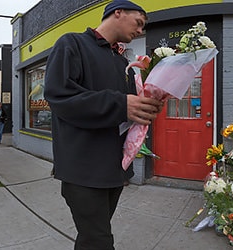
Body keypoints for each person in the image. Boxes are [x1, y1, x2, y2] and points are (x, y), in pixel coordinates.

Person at [44, 1, 161, 248]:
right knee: (99, 241)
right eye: (138, 23)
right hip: (82, 169)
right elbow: (59, 96)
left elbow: (127, 111)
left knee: (93, 237)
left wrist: (147, 106)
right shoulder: (72, 44)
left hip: (113, 170)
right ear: (117, 12)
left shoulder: (124, 64)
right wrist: (121, 104)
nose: (140, 31)